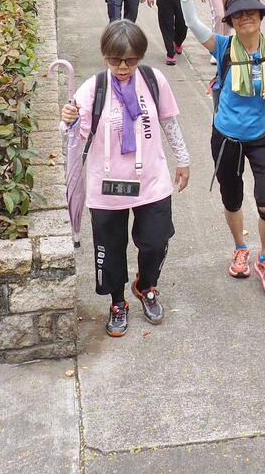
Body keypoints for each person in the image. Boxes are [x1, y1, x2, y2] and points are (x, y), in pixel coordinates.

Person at [163, 0, 265, 295]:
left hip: (263, 138)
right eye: (238, 15)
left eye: (251, 13)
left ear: (260, 16)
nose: (245, 19)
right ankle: (240, 248)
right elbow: (193, 23)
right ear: (230, 21)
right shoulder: (223, 46)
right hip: (227, 137)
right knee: (232, 199)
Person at [60, 21, 190, 337]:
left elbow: (169, 122)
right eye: (115, 60)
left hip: (151, 181)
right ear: (105, 56)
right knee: (111, 249)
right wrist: (68, 122)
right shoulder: (92, 88)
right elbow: (73, 135)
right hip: (107, 188)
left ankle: (146, 286)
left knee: (156, 241)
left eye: (130, 60)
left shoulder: (153, 80)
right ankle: (118, 302)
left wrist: (183, 159)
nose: (122, 67)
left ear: (140, 57)